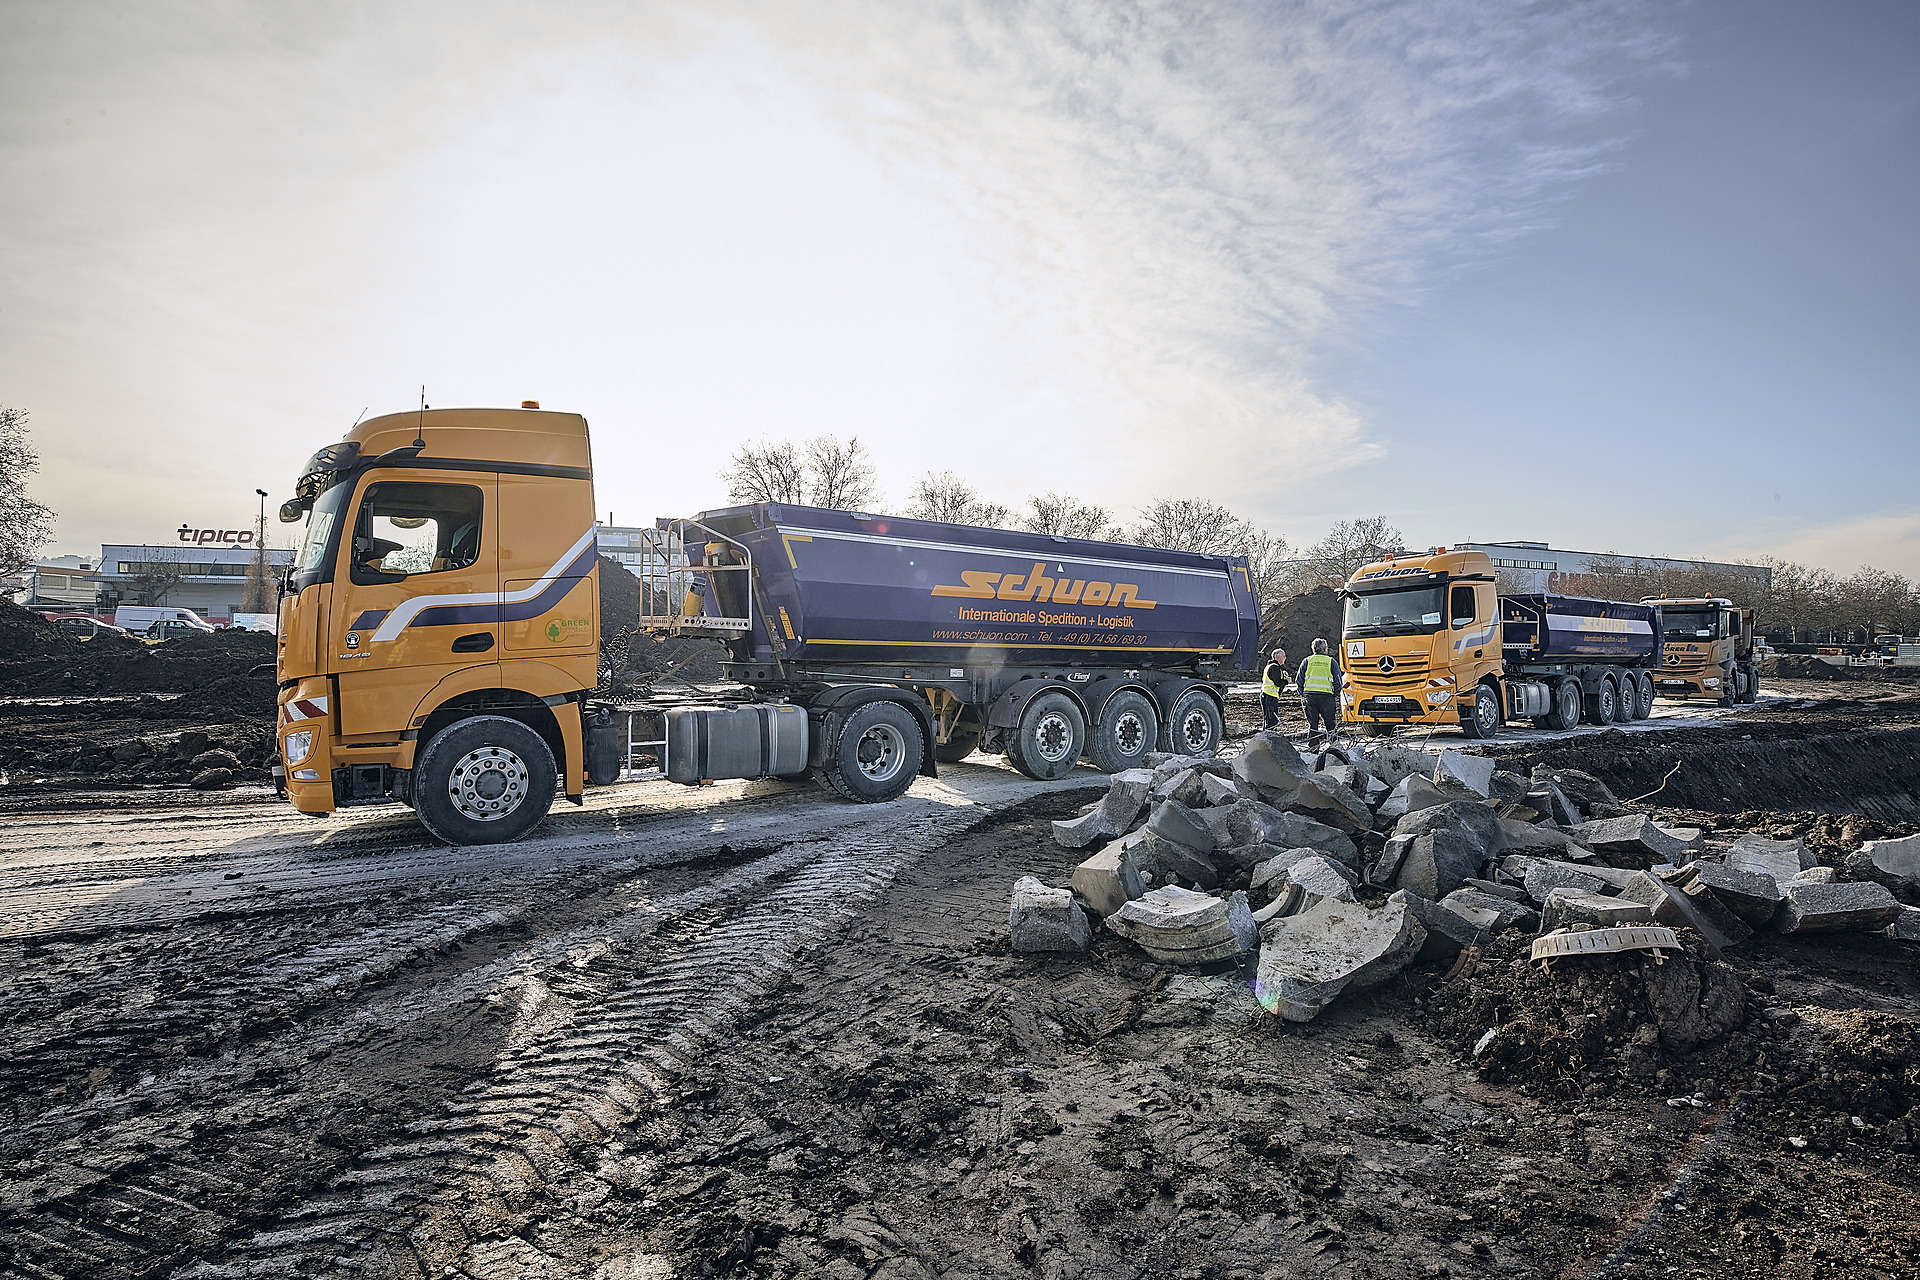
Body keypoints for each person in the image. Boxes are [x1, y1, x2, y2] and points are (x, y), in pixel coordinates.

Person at [1296, 638, 1344, 750]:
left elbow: (1299, 680)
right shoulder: (1331, 662)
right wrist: (1334, 695)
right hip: (1326, 697)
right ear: (1325, 649)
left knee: (1313, 725)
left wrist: (1303, 694)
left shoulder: (1307, 661)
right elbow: (1338, 681)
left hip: (1310, 697)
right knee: (1330, 725)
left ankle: (1313, 748)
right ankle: (1335, 748)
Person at [1259, 647, 1290, 730]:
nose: (1285, 658)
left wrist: (1284, 676)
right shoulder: (1274, 668)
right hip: (1270, 697)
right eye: (1283, 656)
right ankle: (1270, 739)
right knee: (1271, 721)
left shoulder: (1270, 666)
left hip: (1266, 695)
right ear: (1278, 657)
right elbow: (1278, 683)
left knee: (1267, 719)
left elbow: (1275, 679)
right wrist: (1287, 681)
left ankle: (1266, 738)